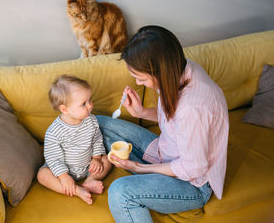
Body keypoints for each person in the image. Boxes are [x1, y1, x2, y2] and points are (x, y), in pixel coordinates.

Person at [96, 25, 229, 222]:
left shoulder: (194, 108)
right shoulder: (180, 70)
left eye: (140, 78)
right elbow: (175, 120)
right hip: (165, 152)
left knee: (120, 192)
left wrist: (141, 169)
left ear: (159, 71)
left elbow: (193, 168)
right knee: (96, 123)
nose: (138, 83)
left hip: (191, 183)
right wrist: (141, 112)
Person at [37, 75, 112, 204]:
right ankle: (77, 190)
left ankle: (90, 181)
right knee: (42, 175)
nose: (90, 106)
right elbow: (53, 157)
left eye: (90, 100)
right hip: (63, 171)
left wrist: (96, 159)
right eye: (83, 104)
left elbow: (97, 139)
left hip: (88, 166)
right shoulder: (54, 131)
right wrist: (64, 177)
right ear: (65, 109)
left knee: (108, 159)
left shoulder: (91, 120)